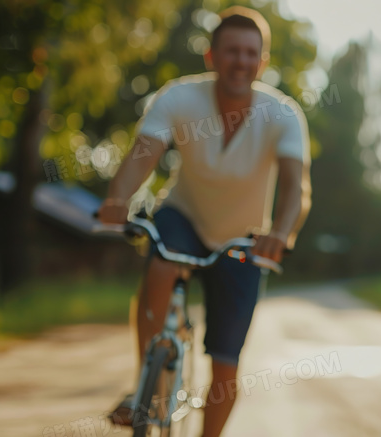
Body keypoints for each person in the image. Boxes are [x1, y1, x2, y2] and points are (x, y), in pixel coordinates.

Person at [97, 6, 311, 436]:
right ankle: (148, 386)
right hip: (185, 217)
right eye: (231, 51)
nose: (241, 61)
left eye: (251, 53)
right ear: (211, 57)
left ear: (263, 62)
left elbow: (295, 188)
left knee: (226, 368)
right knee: (160, 263)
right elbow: (144, 153)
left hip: (246, 240)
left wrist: (281, 233)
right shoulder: (179, 97)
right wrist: (118, 198)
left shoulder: (283, 114)